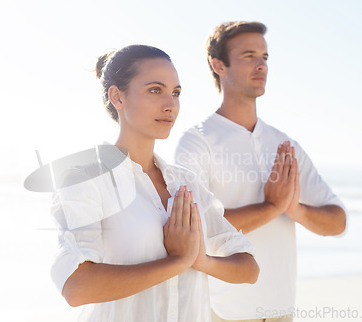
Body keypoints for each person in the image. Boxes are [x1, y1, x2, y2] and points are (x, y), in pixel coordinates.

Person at [50, 44, 259, 322]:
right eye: (155, 90)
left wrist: (200, 261)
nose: (171, 105)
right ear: (117, 96)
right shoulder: (87, 179)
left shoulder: (187, 183)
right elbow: (76, 287)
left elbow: (248, 268)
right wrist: (177, 262)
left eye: (176, 93)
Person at [175, 22, 347, 322]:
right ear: (219, 66)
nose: (261, 65)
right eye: (249, 56)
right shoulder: (197, 141)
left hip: (282, 311)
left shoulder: (284, 144)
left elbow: (338, 222)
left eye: (265, 57)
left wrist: (296, 210)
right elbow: (195, 229)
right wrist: (271, 208)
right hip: (223, 312)